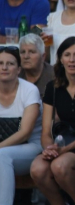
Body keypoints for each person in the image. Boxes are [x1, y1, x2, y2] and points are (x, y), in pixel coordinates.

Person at [30, 37, 75, 205]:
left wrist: (65, 150)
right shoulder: (52, 87)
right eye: (67, 55)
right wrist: (49, 149)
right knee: (37, 169)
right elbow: (46, 130)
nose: (71, 60)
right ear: (60, 58)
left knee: (60, 166)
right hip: (62, 141)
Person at [0, 46, 42, 205]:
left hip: (31, 146)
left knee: (1, 156)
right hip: (3, 146)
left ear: (18, 69)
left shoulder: (29, 90)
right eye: (0, 63)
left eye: (10, 64)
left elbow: (25, 132)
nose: (4, 67)